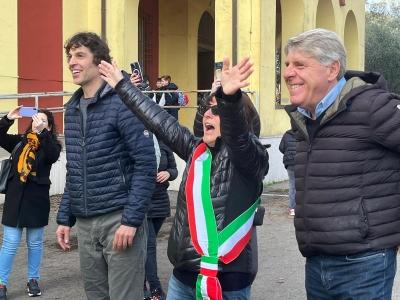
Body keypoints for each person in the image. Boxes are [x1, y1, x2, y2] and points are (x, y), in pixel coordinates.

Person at [98, 56, 269, 300]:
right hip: (184, 276)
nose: (208, 115)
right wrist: (122, 86)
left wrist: (229, 100)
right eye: (206, 110)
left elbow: (239, 138)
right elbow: (159, 120)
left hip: (228, 280)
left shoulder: (251, 158)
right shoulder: (195, 151)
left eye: (216, 111)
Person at [283, 28, 400, 299]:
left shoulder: (372, 106)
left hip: (364, 264)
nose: (288, 72)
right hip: (316, 261)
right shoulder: (305, 117)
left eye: (300, 64)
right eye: (288, 64)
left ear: (332, 69)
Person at [55, 32, 157, 300]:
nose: (72, 62)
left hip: (119, 220)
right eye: (69, 56)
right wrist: (65, 218)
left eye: (79, 55)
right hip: (86, 225)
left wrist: (131, 220)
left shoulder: (124, 103)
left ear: (99, 62)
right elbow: (74, 169)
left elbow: (146, 164)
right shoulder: (72, 108)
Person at [0, 108, 61, 299]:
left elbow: (52, 155)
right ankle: (1, 283)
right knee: (10, 243)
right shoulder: (20, 141)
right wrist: (8, 119)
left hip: (37, 200)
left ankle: (33, 280)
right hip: (15, 199)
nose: (38, 121)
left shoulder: (51, 145)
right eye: (36, 118)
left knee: (34, 243)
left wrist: (43, 133)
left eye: (44, 121)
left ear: (49, 127)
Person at [144, 141, 178, 300]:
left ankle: (141, 281)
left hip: (160, 201)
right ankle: (155, 288)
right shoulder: (135, 137)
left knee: (146, 246)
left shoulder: (163, 143)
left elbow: (174, 169)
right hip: (141, 201)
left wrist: (169, 174)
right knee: (149, 245)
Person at [278, 129, 297, 217]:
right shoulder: (303, 132)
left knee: (292, 185)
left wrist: (288, 153)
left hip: (289, 162)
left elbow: (281, 148)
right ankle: (301, 207)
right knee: (303, 185)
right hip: (301, 161)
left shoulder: (287, 134)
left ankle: (292, 209)